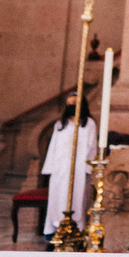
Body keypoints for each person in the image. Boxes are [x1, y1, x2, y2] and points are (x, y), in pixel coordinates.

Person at [40, 92, 96, 240]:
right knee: (58, 198)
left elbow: (92, 147)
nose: (72, 107)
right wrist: (51, 167)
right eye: (70, 104)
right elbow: (53, 147)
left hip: (79, 168)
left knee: (77, 198)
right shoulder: (60, 124)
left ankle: (77, 229)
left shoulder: (89, 124)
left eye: (75, 104)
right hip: (61, 167)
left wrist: (88, 167)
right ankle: (54, 229)